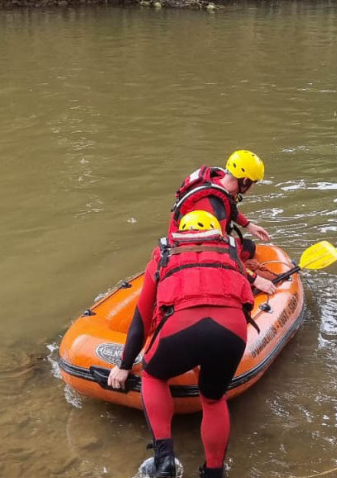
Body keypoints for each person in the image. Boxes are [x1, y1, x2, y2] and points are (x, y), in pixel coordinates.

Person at [108, 211, 269, 478]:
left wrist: (125, 365)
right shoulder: (230, 256)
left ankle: (164, 460)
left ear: (181, 233)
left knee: (152, 374)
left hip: (182, 328)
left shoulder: (163, 257)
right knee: (214, 399)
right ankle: (214, 472)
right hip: (231, 332)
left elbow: (141, 321)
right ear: (214, 233)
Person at [170, 150, 275, 293]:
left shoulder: (218, 179)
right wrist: (254, 278)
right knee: (235, 269)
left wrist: (248, 225)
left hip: (193, 242)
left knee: (249, 247)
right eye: (253, 183)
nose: (252, 188)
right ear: (245, 180)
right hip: (190, 253)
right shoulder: (212, 208)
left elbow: (229, 206)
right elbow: (218, 253)